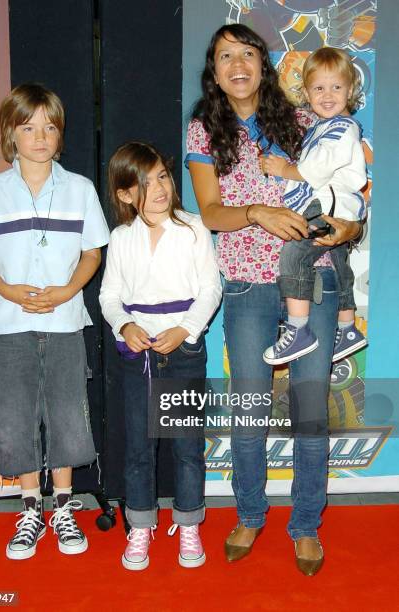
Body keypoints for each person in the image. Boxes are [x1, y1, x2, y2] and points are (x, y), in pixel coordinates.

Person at [186, 24, 362, 576]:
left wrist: (343, 228)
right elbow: (211, 212)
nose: (237, 64)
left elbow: (349, 203)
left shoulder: (308, 121)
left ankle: (306, 524)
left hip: (314, 283)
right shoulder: (202, 131)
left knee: (311, 414)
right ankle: (249, 513)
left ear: (264, 64)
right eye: (224, 57)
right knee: (248, 414)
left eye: (246, 54)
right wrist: (259, 214)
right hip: (244, 287)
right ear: (213, 71)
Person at [0, 83, 109, 560]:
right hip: (8, 324)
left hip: (66, 321)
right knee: (17, 417)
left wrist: (68, 290)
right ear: (11, 134)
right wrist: (6, 289)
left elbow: (93, 251)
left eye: (49, 127)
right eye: (29, 128)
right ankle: (29, 510)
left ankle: (63, 508)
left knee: (66, 414)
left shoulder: (80, 189)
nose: (40, 136)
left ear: (60, 134)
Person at [100, 142, 221, 571]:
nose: (158, 188)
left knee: (187, 448)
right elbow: (110, 294)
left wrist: (186, 331)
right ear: (125, 194)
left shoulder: (193, 229)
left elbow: (210, 289)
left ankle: (188, 523)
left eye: (163, 177)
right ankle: (140, 526)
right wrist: (125, 326)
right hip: (138, 355)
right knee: (138, 447)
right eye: (144, 182)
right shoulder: (120, 238)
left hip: (184, 352)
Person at [262, 47, 367, 366]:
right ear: (306, 91)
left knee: (293, 254)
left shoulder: (341, 127)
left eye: (336, 87)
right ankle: (348, 328)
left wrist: (283, 169)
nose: (327, 95)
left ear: (349, 90)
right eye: (319, 88)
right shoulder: (322, 127)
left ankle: (298, 328)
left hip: (327, 208)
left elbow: (315, 170)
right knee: (338, 262)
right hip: (336, 207)